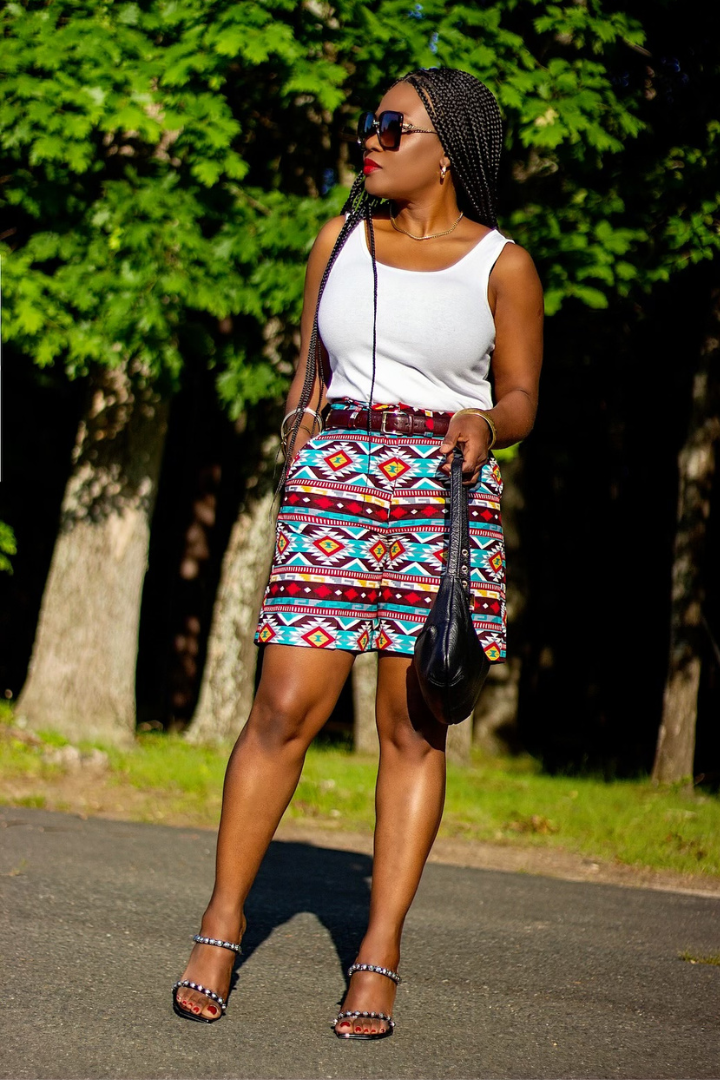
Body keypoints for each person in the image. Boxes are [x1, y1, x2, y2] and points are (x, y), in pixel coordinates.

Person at [172, 66, 543, 1040]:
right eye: (369, 123)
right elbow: (312, 365)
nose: (369, 140)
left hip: (441, 489)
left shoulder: (501, 264)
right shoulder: (336, 242)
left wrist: (489, 424)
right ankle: (221, 923)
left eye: (391, 126)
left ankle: (379, 951)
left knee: (412, 725)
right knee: (283, 705)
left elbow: (521, 396)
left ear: (447, 150)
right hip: (333, 479)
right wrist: (299, 429)